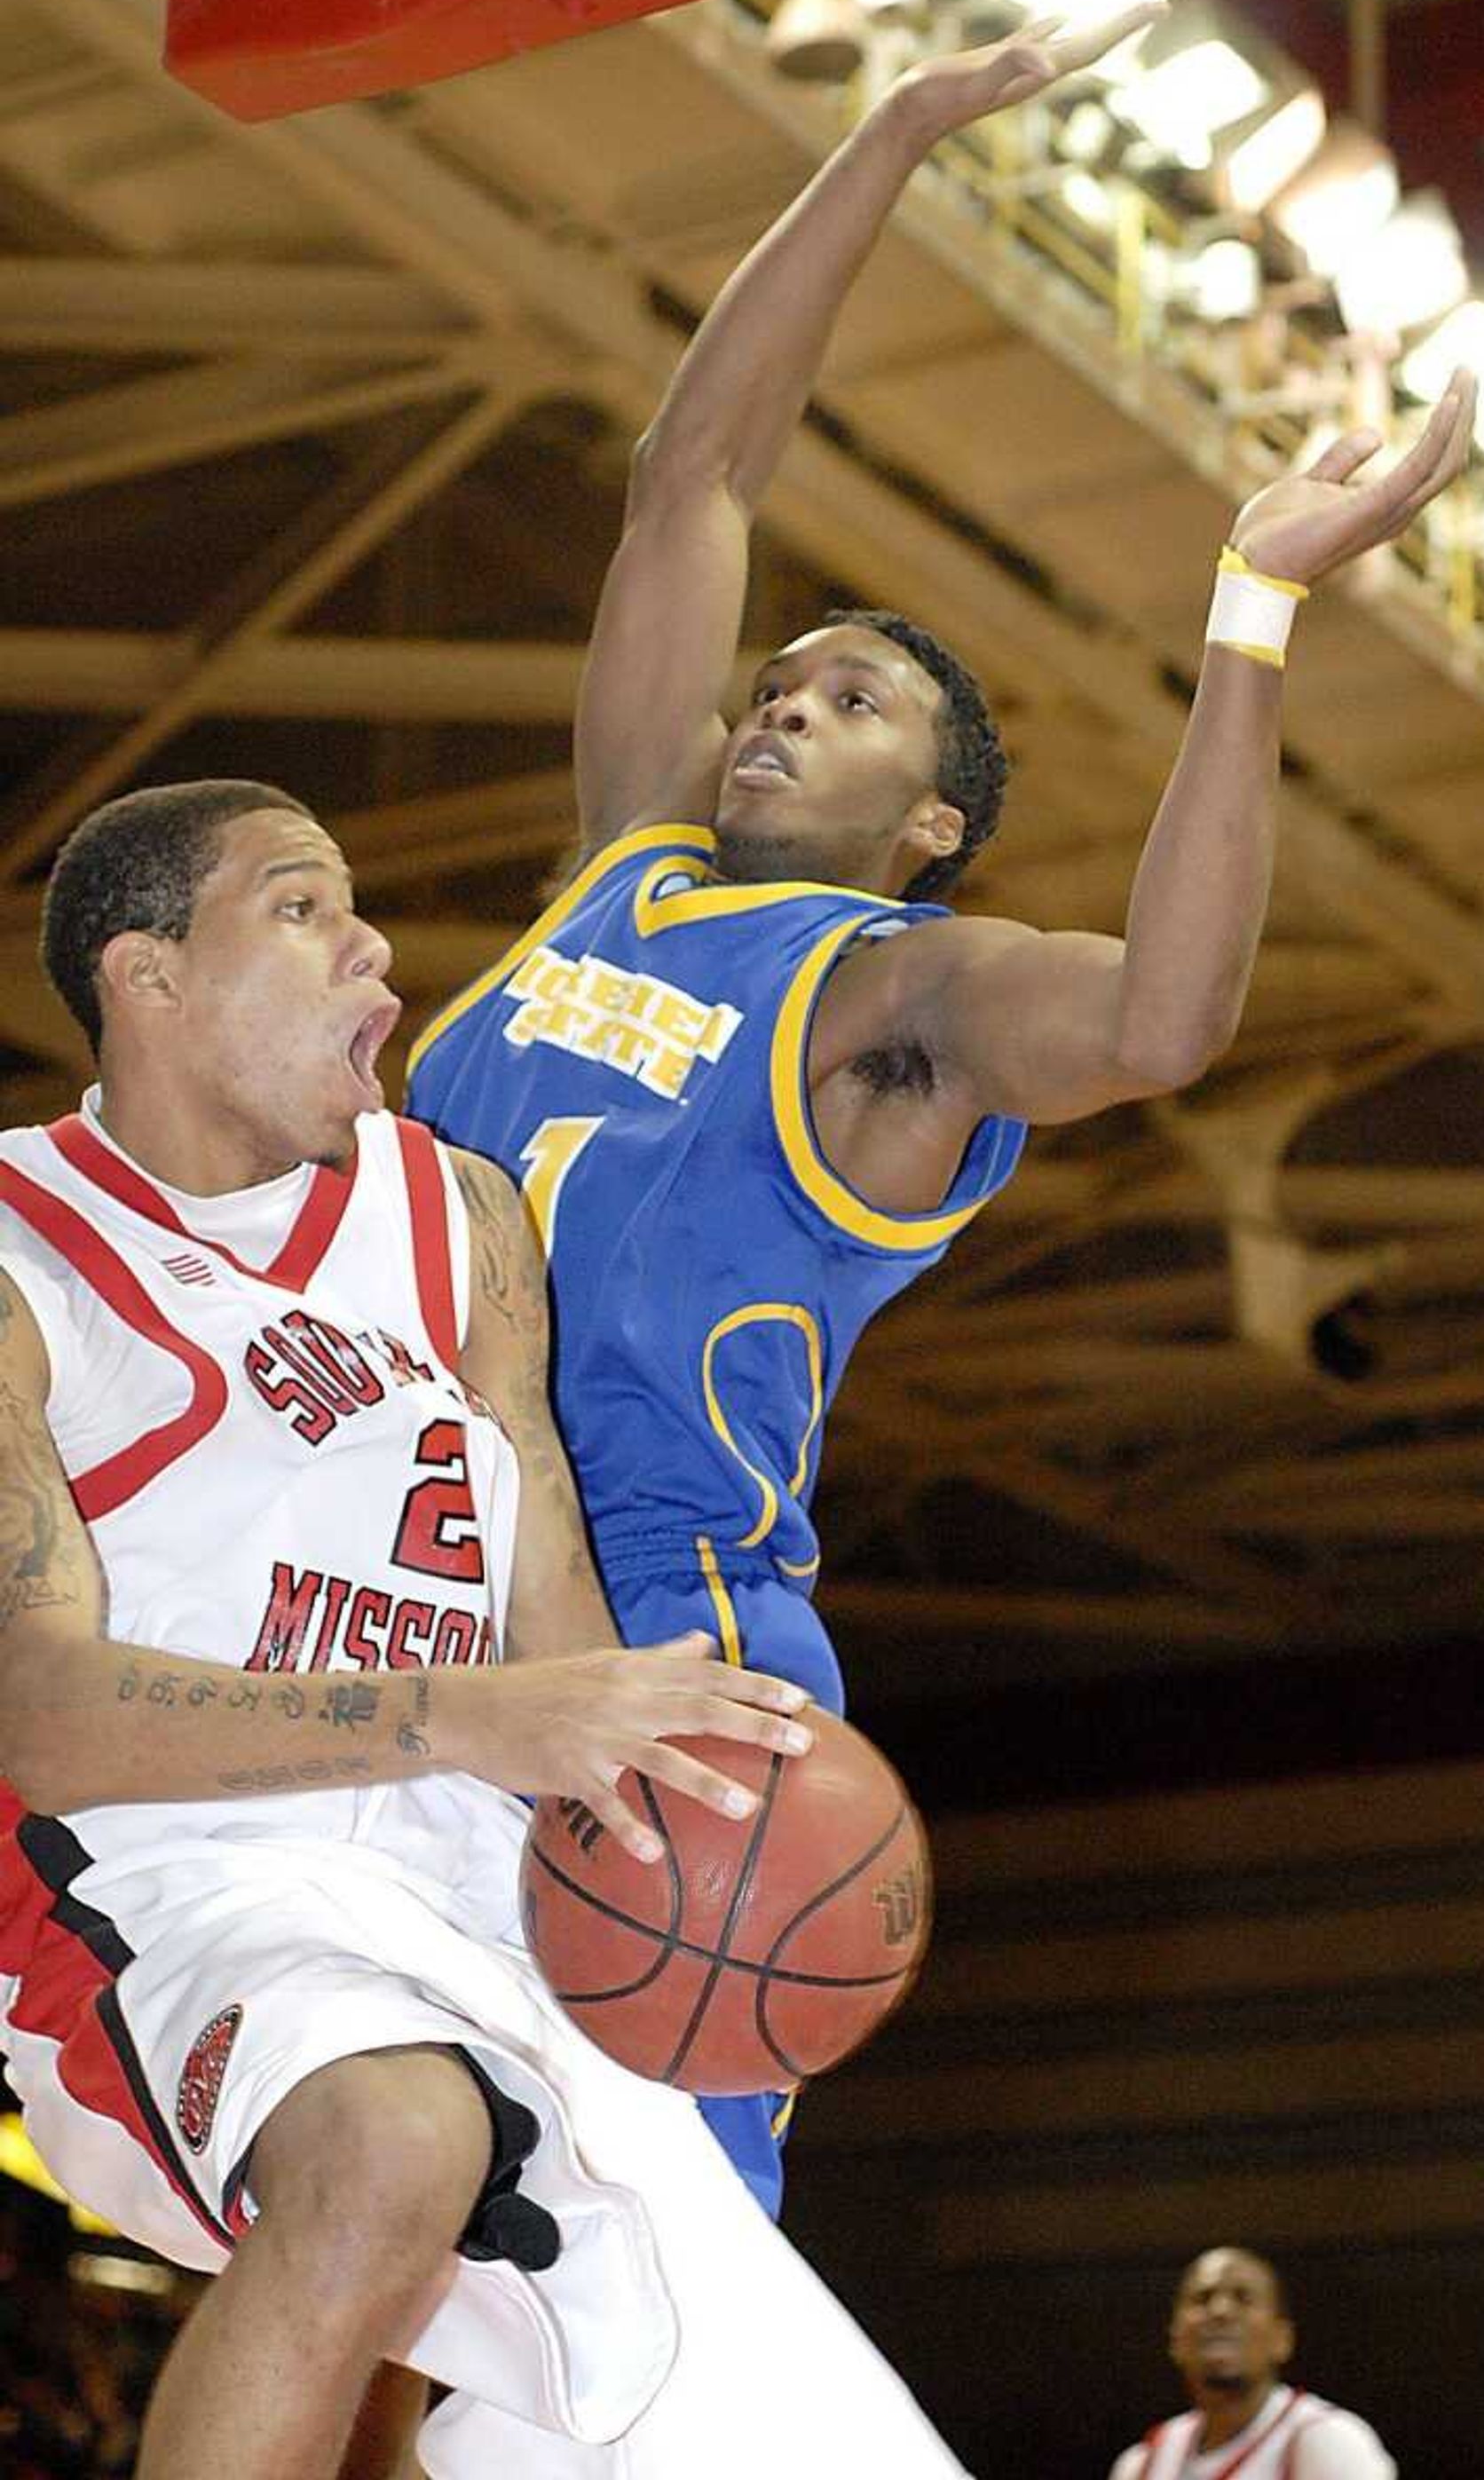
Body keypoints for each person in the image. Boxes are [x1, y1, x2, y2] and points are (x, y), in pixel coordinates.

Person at [405, 8, 1477, 2215]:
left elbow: (1169, 1021)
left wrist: (1254, 615)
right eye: (780, 680)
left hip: (651, 1646)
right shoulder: (624, 861)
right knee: (351, 2223)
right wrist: (893, 126)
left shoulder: (898, 1006)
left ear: (934, 827)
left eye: (854, 696)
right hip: (390, 1597)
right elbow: (690, 476)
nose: (781, 701)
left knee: (635, 2293)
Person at [0, 778, 981, 2480]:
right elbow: (38, 1713)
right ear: (144, 976)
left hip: (484, 1888)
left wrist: (657, 1795)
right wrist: (479, 1719)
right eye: (302, 907)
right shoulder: (26, 1252)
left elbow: (550, 1612)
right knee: (393, 2135)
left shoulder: (455, 1218)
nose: (374, 945)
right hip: (166, 1878)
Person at [1109, 2246, 1396, 2480]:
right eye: (1202, 2298)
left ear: (1282, 2339)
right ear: (1175, 2339)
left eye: (1243, 2298)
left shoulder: (1327, 2441)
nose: (1220, 2311)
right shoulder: (1144, 2462)